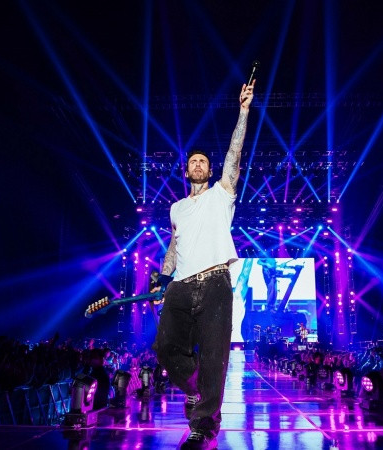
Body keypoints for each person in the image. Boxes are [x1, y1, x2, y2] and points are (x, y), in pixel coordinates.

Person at [152, 80, 254, 450]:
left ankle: (204, 425)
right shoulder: (176, 208)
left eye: (203, 162)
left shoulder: (221, 194)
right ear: (186, 171)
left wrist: (243, 111)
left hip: (215, 283)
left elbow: (234, 154)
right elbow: (174, 246)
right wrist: (162, 280)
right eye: (193, 161)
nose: (198, 164)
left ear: (210, 171)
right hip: (180, 286)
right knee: (165, 348)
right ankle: (198, 389)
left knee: (214, 356)